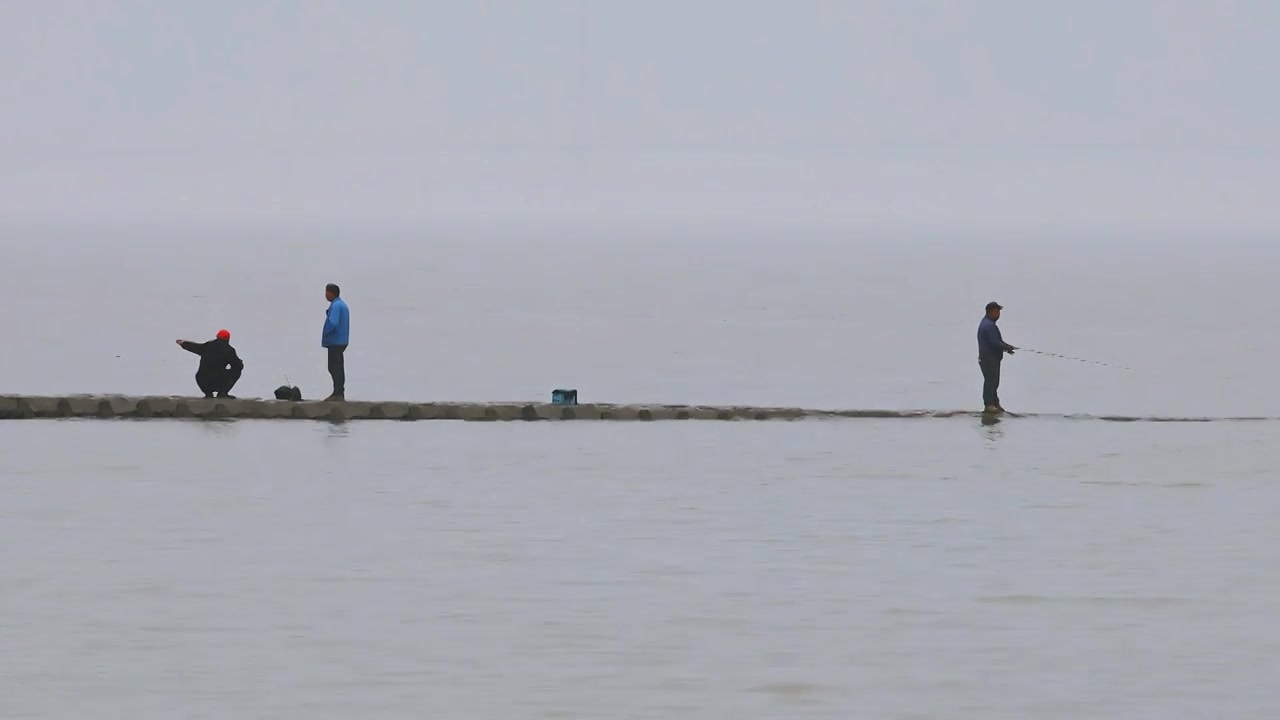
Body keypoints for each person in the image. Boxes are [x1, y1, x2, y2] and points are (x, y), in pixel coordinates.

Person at [176, 329, 244, 399]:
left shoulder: (207, 346)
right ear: (228, 339)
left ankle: (208, 394)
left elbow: (195, 347)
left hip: (203, 380)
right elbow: (237, 366)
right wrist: (240, 363)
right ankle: (222, 393)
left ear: (217, 336)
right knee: (236, 371)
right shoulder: (229, 350)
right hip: (219, 381)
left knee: (203, 373)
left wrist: (183, 343)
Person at [977, 301, 1017, 413]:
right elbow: (995, 343)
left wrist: (1007, 348)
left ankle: (995, 403)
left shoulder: (989, 324)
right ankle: (989, 404)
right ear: (991, 312)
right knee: (991, 381)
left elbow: (997, 342)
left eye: (999, 311)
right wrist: (1007, 347)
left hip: (990, 357)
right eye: (997, 311)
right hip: (988, 358)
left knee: (994, 381)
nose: (999, 314)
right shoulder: (988, 325)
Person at [322, 283, 350, 401]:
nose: (325, 295)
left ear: (330, 293)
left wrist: (327, 332)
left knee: (334, 367)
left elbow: (333, 322)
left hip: (335, 341)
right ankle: (339, 392)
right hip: (341, 340)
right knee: (338, 366)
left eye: (326, 292)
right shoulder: (341, 304)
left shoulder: (337, 306)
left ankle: (338, 393)